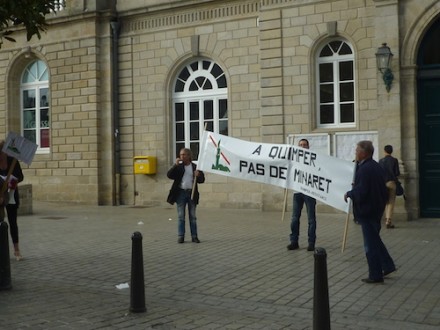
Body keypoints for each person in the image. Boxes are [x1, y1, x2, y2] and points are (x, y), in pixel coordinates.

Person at [344, 140, 396, 283]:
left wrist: (350, 193)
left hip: (367, 211)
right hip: (376, 209)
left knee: (370, 245)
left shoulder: (365, 169)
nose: (355, 152)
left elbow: (362, 191)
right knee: (375, 239)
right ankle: (388, 264)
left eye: (356, 150)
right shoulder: (377, 166)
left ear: (363, 153)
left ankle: (375, 275)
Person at [167, 148, 205, 243]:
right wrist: (175, 165)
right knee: (181, 216)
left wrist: (198, 175)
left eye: (184, 155)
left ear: (189, 156)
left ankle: (194, 236)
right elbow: (169, 175)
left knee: (192, 216)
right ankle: (181, 236)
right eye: (181, 155)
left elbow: (202, 180)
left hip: (192, 193)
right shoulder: (179, 167)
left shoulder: (195, 167)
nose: (182, 157)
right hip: (181, 193)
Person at [287, 139, 316, 252]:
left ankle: (311, 242)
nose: (303, 146)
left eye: (304, 145)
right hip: (297, 192)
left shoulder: (313, 159)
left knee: (311, 219)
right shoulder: (294, 159)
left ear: (308, 146)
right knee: (294, 218)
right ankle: (294, 241)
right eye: (301, 145)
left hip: (310, 192)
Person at [0, 140, 24, 261]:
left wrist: (12, 182)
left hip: (12, 195)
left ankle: (16, 250)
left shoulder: (12, 161)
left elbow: (21, 176)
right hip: (0, 196)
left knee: (13, 222)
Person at [379, 145, 400, 228]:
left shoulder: (380, 161)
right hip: (391, 182)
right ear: (391, 151)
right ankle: (388, 220)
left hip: (382, 183)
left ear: (384, 151)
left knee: (385, 201)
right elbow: (397, 173)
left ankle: (383, 218)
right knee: (391, 202)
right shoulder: (394, 160)